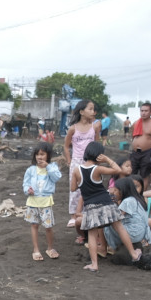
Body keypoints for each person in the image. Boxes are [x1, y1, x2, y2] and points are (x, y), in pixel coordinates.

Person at [71, 142, 142, 271]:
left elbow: (73, 188)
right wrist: (107, 159)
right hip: (106, 203)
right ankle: (133, 254)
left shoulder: (77, 169)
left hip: (90, 206)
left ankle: (94, 264)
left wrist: (82, 183)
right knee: (119, 227)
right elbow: (118, 170)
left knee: (92, 235)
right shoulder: (97, 169)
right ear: (99, 155)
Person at [63, 99, 101, 243]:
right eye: (90, 109)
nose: (93, 111)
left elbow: (96, 145)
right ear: (81, 111)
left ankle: (92, 227)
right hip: (77, 162)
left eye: (93, 109)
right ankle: (76, 220)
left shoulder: (95, 127)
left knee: (91, 191)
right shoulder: (73, 129)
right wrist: (69, 161)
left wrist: (97, 162)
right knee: (75, 191)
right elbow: (66, 146)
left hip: (91, 162)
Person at [22, 142, 62, 261]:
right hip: (33, 202)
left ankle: (50, 248)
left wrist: (48, 166)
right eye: (37, 154)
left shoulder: (52, 167)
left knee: (48, 226)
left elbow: (57, 177)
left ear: (48, 155)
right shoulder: (31, 170)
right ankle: (36, 250)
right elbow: (25, 183)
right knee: (34, 225)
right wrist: (27, 190)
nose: (39, 157)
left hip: (46, 203)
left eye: (42, 154)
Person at [104, 176, 151, 254]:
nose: (113, 192)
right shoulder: (135, 199)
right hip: (140, 233)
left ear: (122, 191)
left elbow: (116, 216)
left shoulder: (127, 201)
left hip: (134, 233)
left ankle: (112, 247)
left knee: (108, 224)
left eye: (116, 190)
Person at [129, 103, 151, 187]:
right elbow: (133, 136)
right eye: (142, 111)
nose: (143, 113)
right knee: (131, 172)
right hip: (135, 152)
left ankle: (142, 195)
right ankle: (132, 192)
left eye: (146, 111)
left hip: (147, 152)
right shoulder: (135, 123)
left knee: (144, 175)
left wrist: (149, 145)